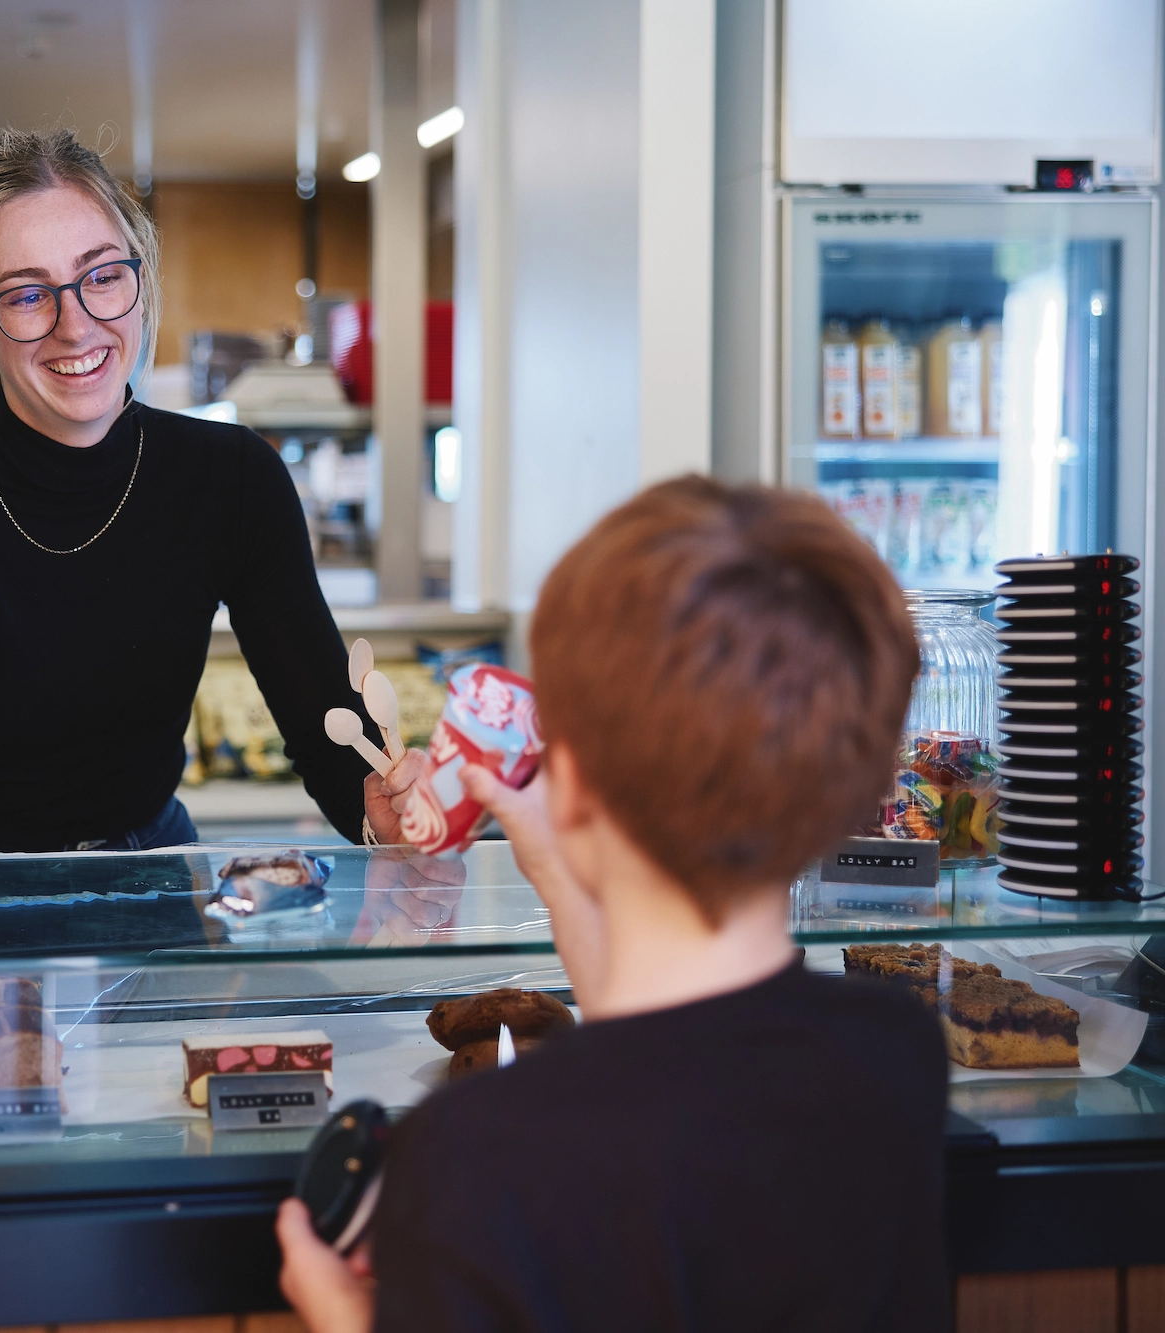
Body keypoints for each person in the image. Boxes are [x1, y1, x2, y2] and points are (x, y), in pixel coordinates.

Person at [276, 477, 948, 1332]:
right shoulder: (893, 1051)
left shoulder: (475, 1147)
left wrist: (348, 1321)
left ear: (576, 785)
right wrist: (559, 866)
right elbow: (678, 1073)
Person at [0, 127, 422, 853]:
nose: (76, 323)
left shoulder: (231, 480)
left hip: (160, 882)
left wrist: (385, 810)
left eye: (103, 276)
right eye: (27, 294)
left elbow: (329, 728)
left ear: (137, 278)